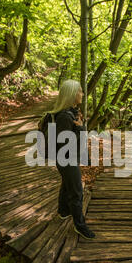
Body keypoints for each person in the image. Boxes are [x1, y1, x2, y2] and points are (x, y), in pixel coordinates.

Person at [47, 79, 96, 240]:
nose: (82, 94)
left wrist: (80, 125)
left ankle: (63, 211)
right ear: (72, 94)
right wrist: (81, 128)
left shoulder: (71, 112)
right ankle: (80, 226)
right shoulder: (64, 117)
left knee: (67, 185)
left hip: (67, 158)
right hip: (66, 159)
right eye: (80, 91)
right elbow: (64, 142)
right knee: (77, 192)